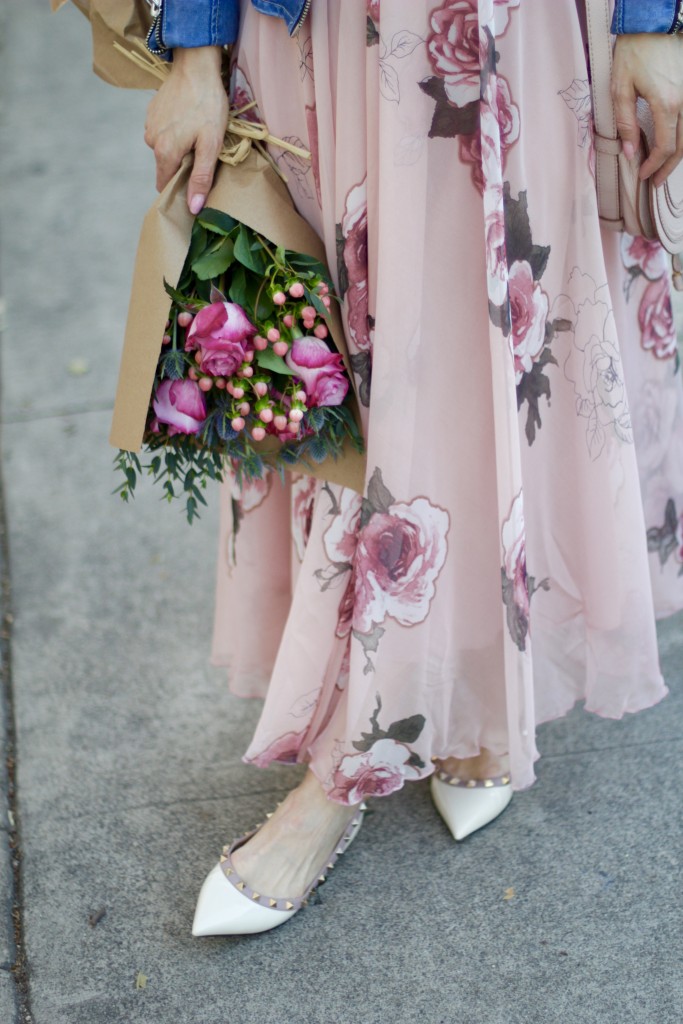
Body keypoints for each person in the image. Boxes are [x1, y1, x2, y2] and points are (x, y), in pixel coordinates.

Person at [143, 0, 683, 936]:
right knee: (350, 361)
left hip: (532, 26)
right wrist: (192, 45)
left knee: (505, 357)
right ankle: (371, 745)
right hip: (329, 34)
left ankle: (443, 699)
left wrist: (650, 20)